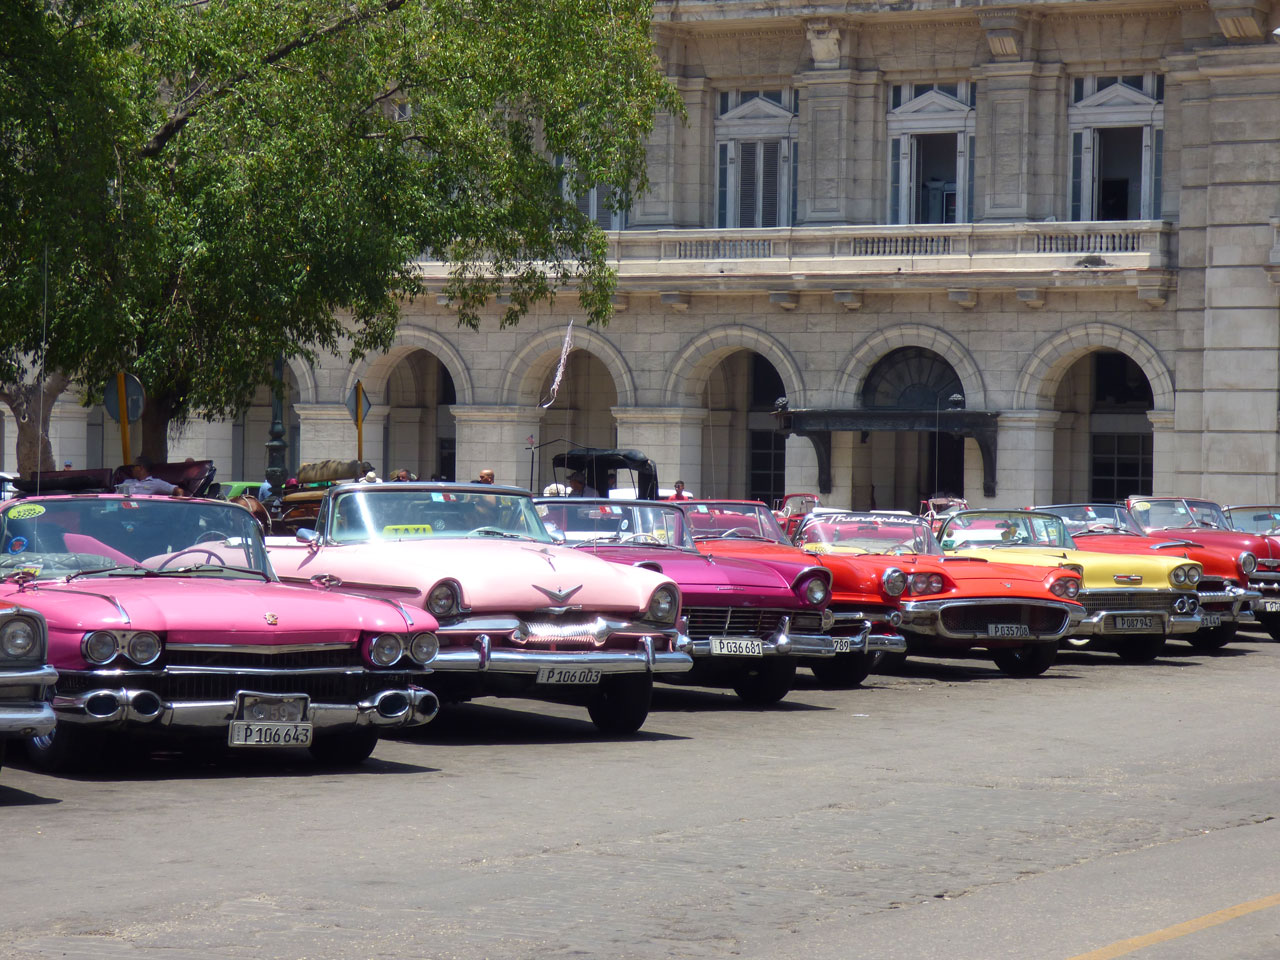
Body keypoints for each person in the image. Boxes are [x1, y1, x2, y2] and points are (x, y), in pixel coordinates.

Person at [116, 456, 188, 497]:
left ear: (141, 468)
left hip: (146, 515)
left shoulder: (155, 483)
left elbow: (178, 490)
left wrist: (180, 504)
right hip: (126, 513)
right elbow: (115, 497)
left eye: (133, 467)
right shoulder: (127, 482)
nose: (131, 469)